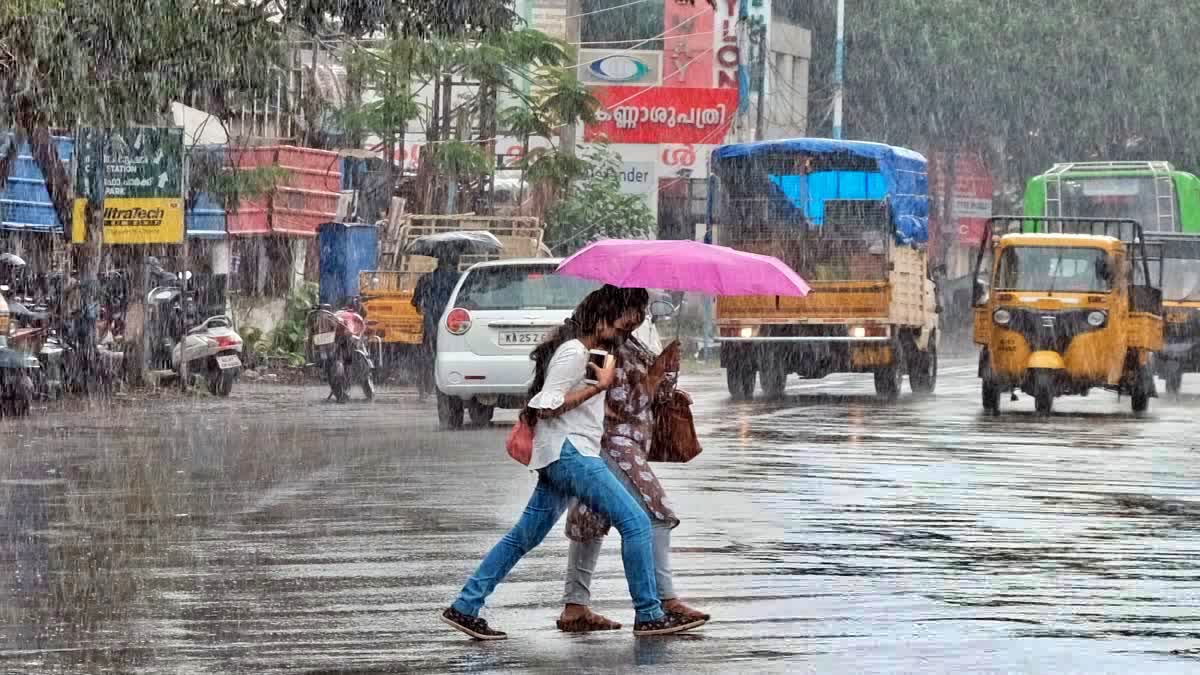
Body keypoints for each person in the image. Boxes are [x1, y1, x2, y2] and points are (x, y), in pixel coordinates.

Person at [440, 285, 706, 640]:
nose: (623, 333)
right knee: (637, 524)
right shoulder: (573, 351)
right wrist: (598, 388)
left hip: (561, 454)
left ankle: (465, 606)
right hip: (572, 453)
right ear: (600, 317)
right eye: (620, 326)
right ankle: (648, 613)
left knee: (522, 538)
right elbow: (545, 405)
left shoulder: (591, 351)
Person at [557, 299, 708, 632]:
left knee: (589, 521)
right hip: (612, 445)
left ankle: (575, 607)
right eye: (634, 309)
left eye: (643, 310)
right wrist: (653, 376)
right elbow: (612, 405)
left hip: (622, 445)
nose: (639, 316)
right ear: (613, 312)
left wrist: (665, 372)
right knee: (657, 513)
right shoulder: (599, 350)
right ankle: (664, 601)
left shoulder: (630, 343)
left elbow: (642, 396)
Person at [411, 252, 461, 401]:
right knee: (453, 354)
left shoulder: (426, 279)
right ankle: (451, 386)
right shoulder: (459, 279)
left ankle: (425, 389)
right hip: (454, 324)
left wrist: (425, 309)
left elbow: (415, 303)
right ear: (455, 262)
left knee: (428, 357)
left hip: (431, 322)